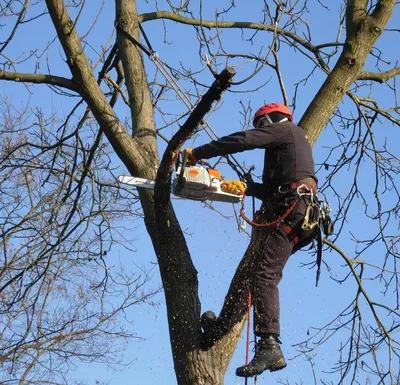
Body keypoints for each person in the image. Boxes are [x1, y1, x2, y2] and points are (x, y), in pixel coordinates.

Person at [182, 102, 319, 378]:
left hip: (291, 212)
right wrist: (245, 187)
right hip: (289, 212)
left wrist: (199, 153)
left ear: (271, 120)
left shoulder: (288, 131)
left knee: (264, 275)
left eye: (261, 126)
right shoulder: (288, 153)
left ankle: (269, 343)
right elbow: (271, 190)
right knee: (247, 276)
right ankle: (219, 329)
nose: (260, 131)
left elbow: (244, 140)